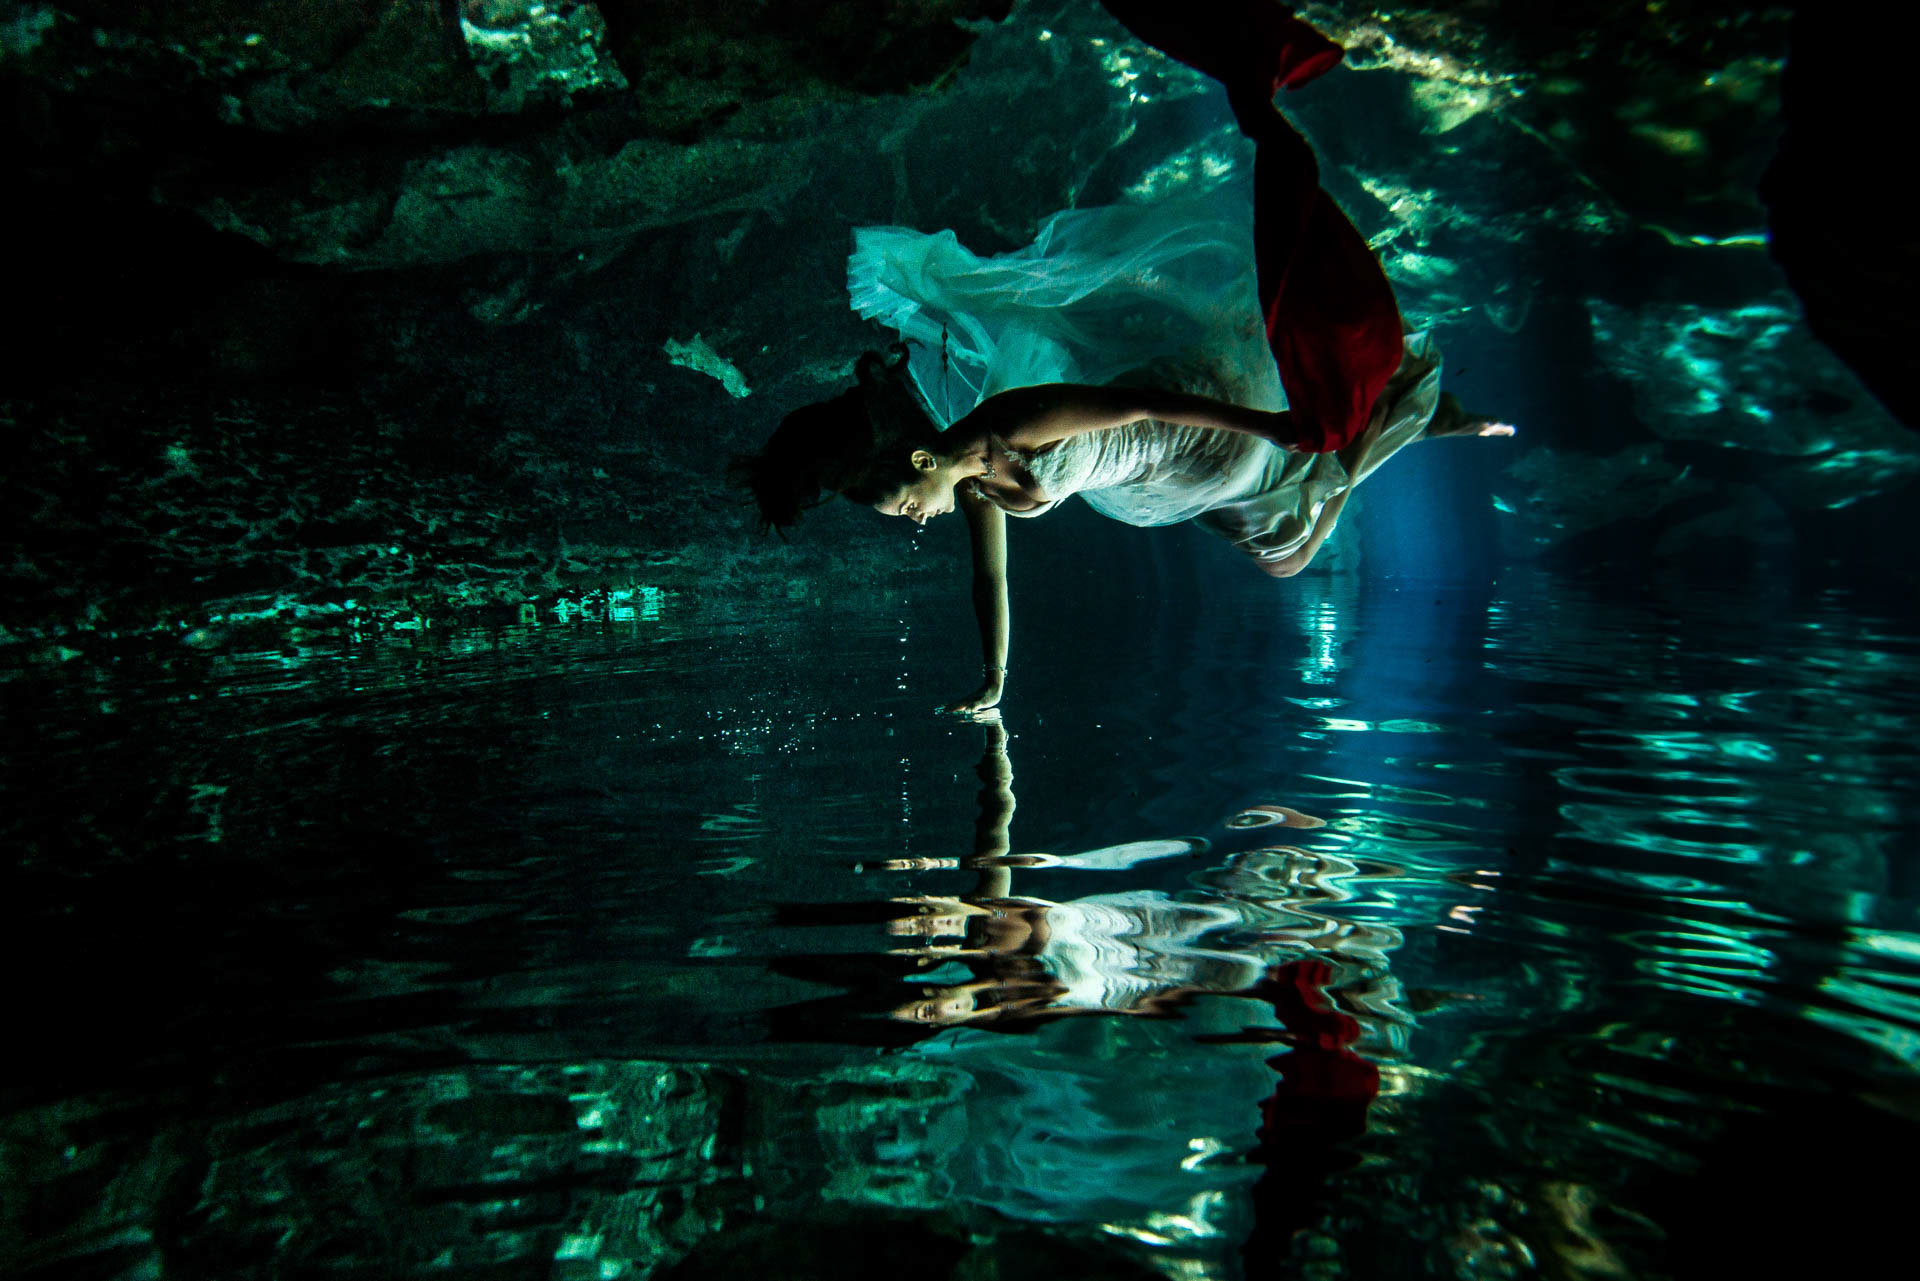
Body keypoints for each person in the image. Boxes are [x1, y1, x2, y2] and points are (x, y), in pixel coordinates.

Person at [731, 3, 1512, 713]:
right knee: (1283, 549)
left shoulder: (1004, 419)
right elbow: (988, 580)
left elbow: (1141, 405)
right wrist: (995, 679)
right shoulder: (969, 476)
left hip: (1192, 421)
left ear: (917, 454)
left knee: (1288, 546)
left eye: (905, 505)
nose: (913, 523)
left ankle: (1391, 418)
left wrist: (1266, 423)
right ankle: (1395, 422)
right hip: (1167, 473)